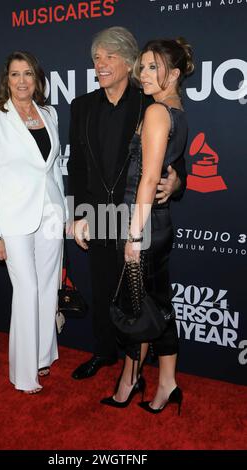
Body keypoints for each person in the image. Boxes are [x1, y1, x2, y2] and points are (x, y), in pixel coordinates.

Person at [68, 27, 187, 380]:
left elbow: (172, 156)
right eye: (96, 58)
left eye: (109, 56)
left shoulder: (149, 102)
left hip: (136, 213)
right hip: (98, 215)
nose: (100, 64)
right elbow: (75, 165)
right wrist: (77, 214)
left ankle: (135, 367)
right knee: (104, 286)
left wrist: (178, 179)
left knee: (141, 294)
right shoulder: (82, 106)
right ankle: (104, 353)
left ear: (129, 61)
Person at [100, 38, 194, 413]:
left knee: (138, 307)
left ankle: (131, 381)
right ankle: (165, 382)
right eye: (142, 66)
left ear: (173, 73)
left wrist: (134, 237)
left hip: (144, 225)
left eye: (153, 67)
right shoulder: (177, 110)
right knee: (156, 305)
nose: (143, 73)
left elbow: (148, 178)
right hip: (157, 222)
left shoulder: (157, 112)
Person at [0, 51, 67, 394]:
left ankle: (43, 356)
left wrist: (66, 214)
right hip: (13, 218)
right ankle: (24, 374)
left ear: (37, 79)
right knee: (27, 289)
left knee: (47, 288)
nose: (23, 80)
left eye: (28, 73)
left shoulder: (49, 113)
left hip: (50, 214)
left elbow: (54, 169)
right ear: (6, 80)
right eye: (16, 74)